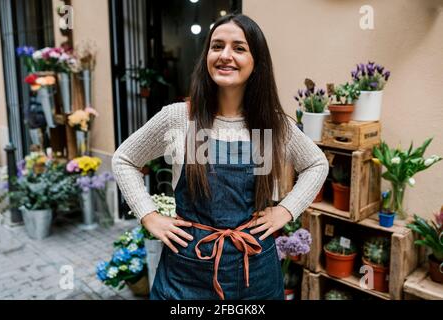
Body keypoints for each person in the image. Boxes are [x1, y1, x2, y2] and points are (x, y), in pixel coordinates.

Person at [112, 13, 329, 300]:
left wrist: (286, 210)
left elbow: (316, 164)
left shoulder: (273, 125)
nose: (225, 55)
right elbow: (124, 159)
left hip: (256, 276)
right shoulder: (179, 118)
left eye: (239, 48)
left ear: (257, 62)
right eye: (217, 46)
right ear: (206, 56)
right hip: (185, 274)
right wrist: (148, 216)